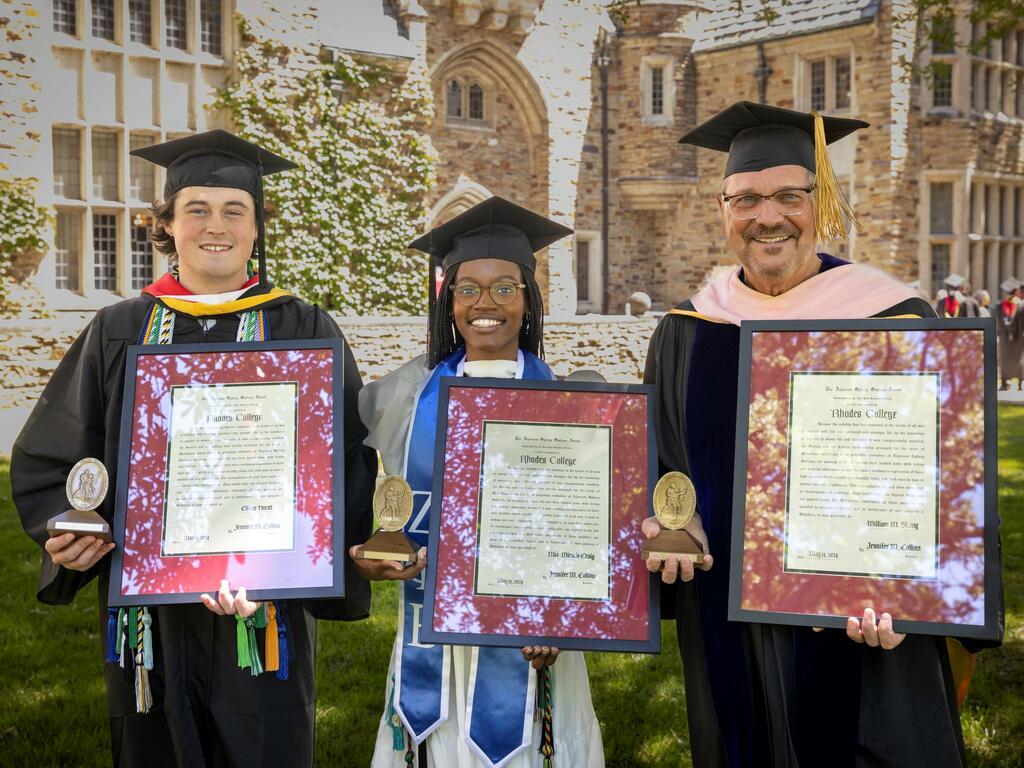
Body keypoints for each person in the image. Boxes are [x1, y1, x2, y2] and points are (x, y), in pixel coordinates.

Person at [642, 101, 1002, 767]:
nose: (766, 216)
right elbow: (663, 466)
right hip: (730, 627)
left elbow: (951, 493)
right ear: (723, 208)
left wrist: (916, 592)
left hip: (865, 638)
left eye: (788, 195)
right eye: (746, 198)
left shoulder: (897, 321)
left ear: (821, 202)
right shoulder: (686, 333)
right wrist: (673, 522)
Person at [12, 130, 376, 767]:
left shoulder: (304, 328)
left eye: (234, 210)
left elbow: (341, 461)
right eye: (197, 209)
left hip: (266, 614)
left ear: (257, 227)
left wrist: (294, 568)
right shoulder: (119, 328)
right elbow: (62, 452)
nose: (217, 225)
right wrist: (69, 532)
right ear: (168, 226)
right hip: (152, 615)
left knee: (263, 745)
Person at [352, 197, 604, 768]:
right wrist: (382, 557)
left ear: (529, 301)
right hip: (432, 631)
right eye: (467, 289)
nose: (484, 304)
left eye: (503, 288)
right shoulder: (403, 400)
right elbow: (399, 523)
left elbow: (589, 536)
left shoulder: (574, 402)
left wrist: (560, 613)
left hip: (534, 637)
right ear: (448, 300)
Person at [997, 277, 1023, 390]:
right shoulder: (1021, 305)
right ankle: (1020, 384)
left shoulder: (1000, 305)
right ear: (1016, 292)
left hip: (1005, 338)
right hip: (1018, 338)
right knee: (1019, 360)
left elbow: (999, 322)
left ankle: (1004, 383)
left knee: (1005, 360)